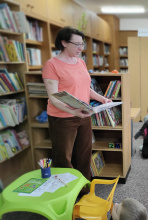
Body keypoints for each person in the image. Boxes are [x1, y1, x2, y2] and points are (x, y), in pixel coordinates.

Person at [42, 27, 112, 184]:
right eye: (77, 44)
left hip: (84, 114)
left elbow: (85, 87)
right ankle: (66, 192)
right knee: (63, 158)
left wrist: (102, 99)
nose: (81, 48)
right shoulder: (51, 65)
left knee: (83, 154)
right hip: (62, 118)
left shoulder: (80, 62)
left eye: (82, 44)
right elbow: (54, 97)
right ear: (64, 43)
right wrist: (73, 111)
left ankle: (83, 189)